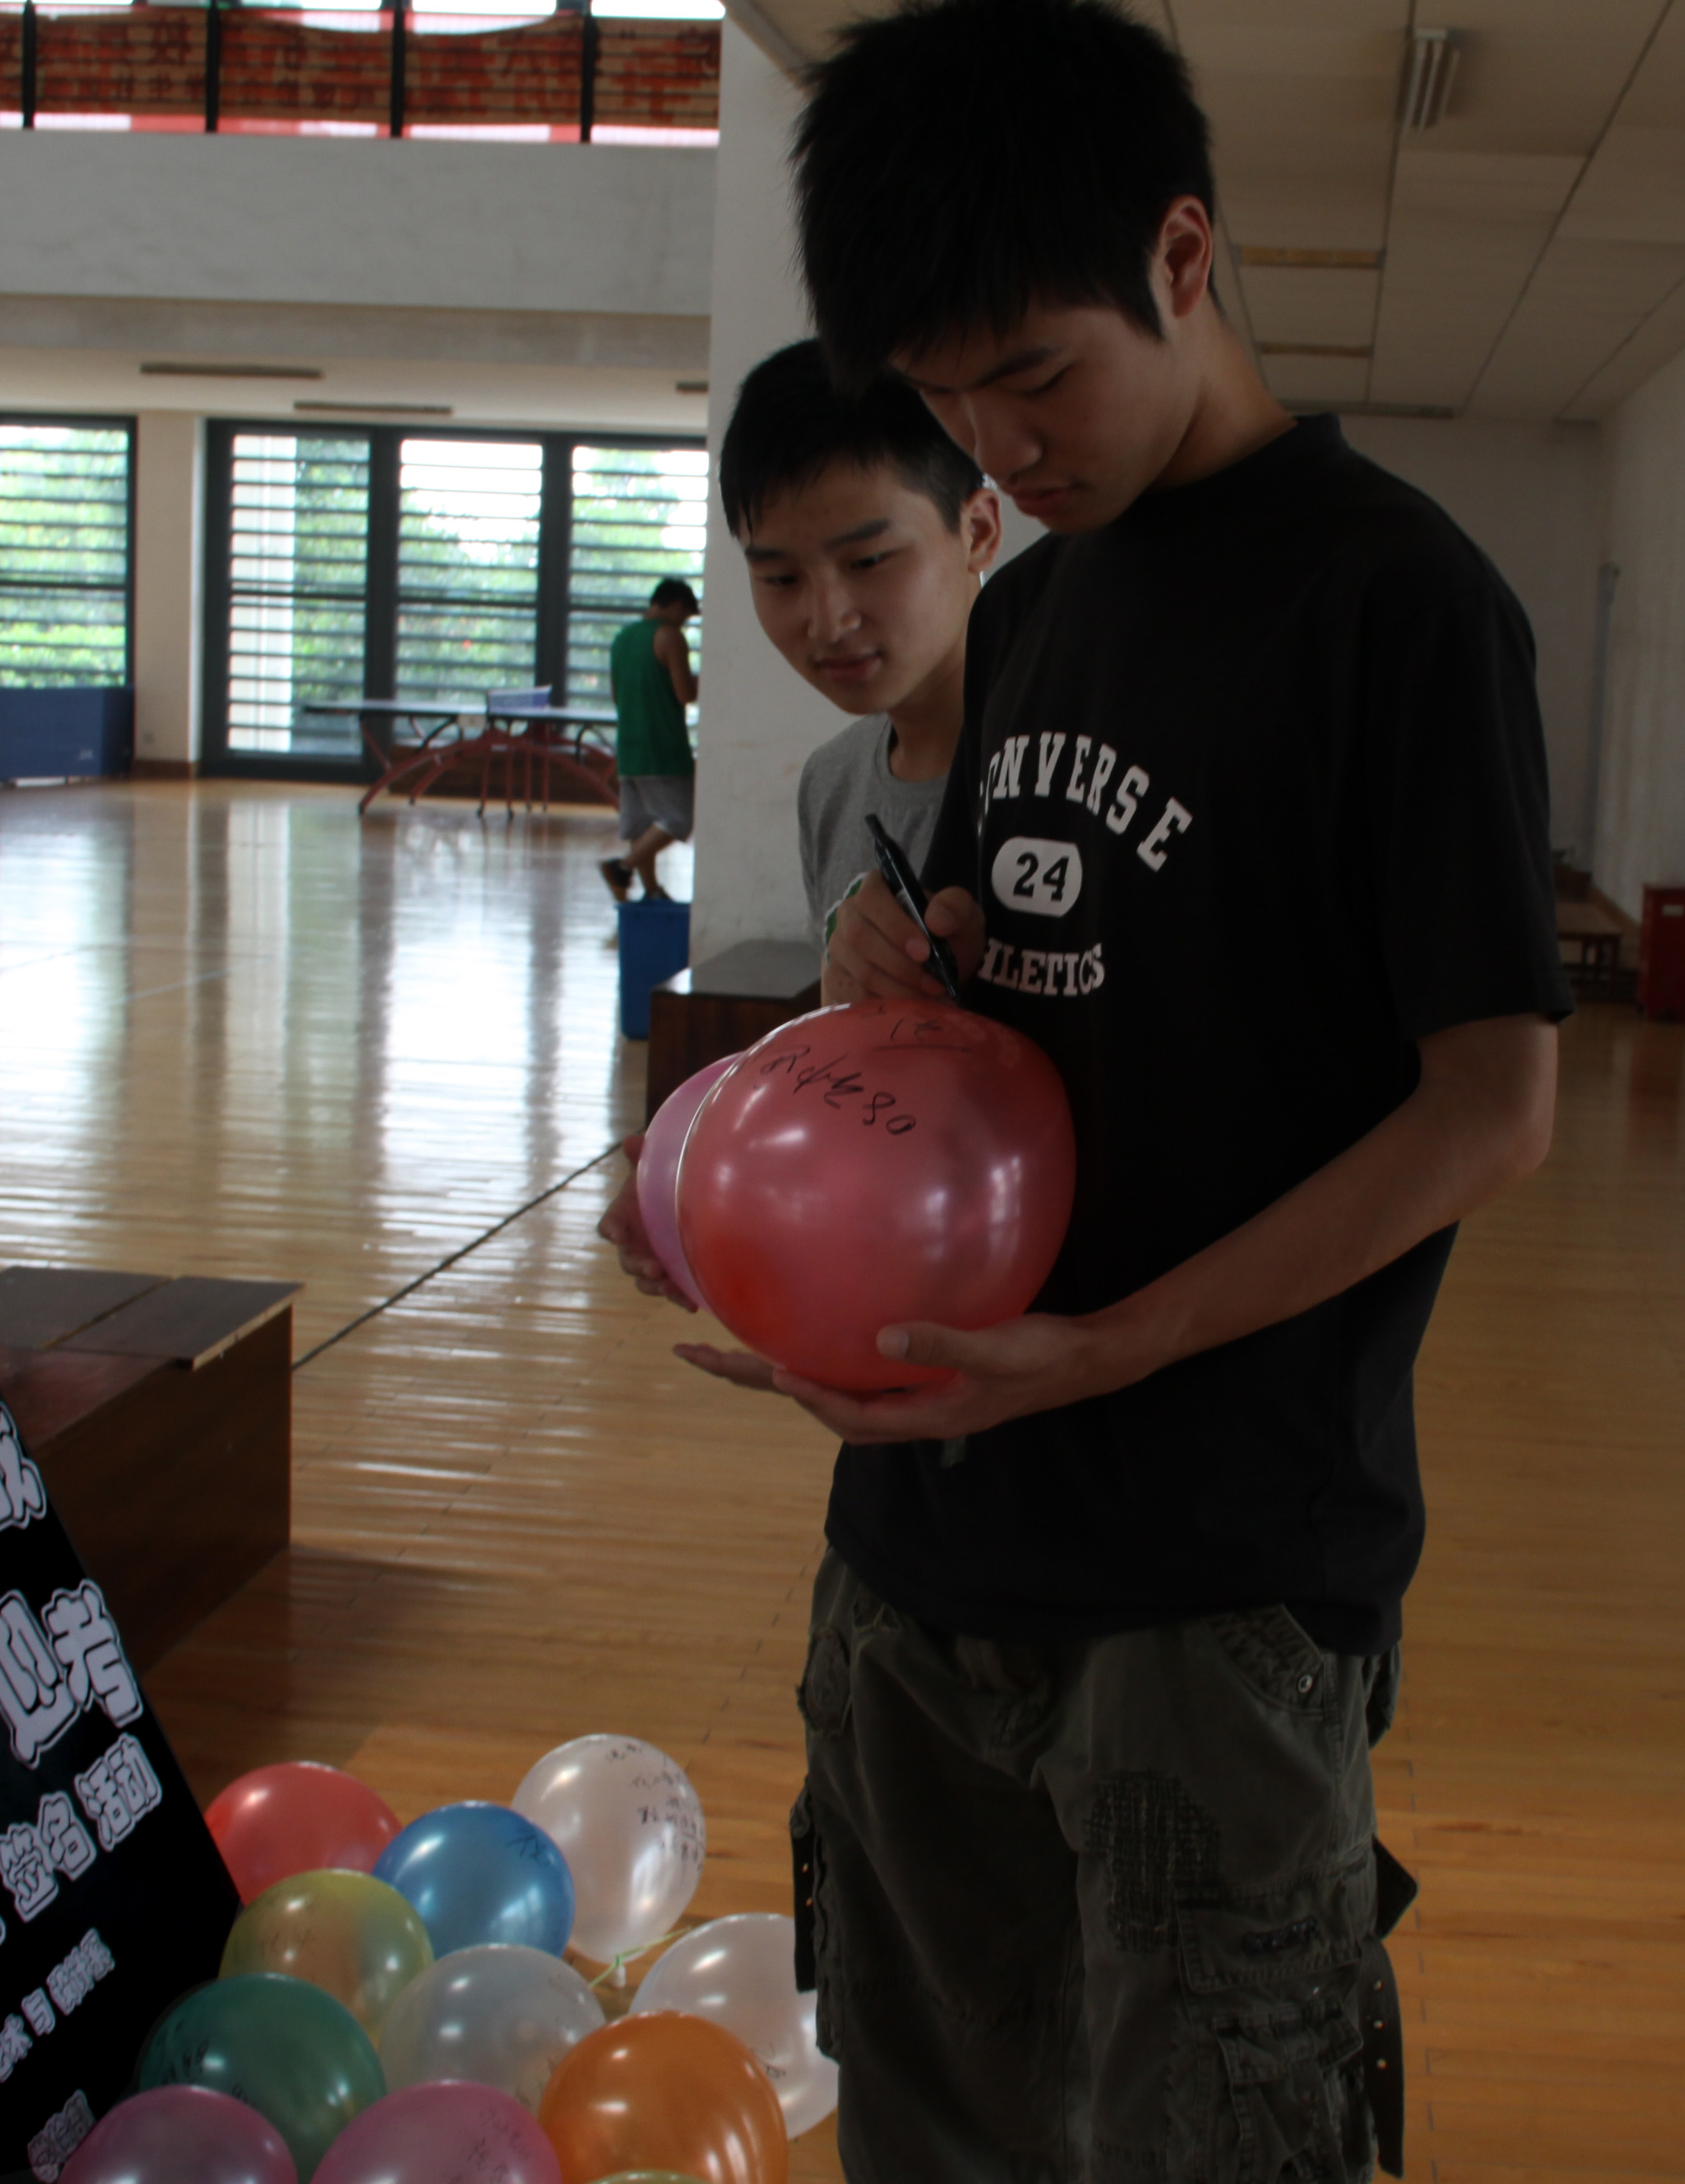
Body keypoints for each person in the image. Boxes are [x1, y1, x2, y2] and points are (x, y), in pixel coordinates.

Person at [599, 1, 1567, 2173]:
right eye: (947, 395)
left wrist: (1117, 1340)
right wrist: (893, 974)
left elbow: (1493, 1104)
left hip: (1212, 1570)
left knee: (1212, 2131)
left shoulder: (1398, 602)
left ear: (1182, 254)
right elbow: (1004, 1015)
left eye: (1035, 372)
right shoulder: (1031, 612)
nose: (999, 443)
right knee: (929, 2127)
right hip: (919, 1543)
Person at [715, 338, 1002, 945]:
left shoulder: (1079, 765)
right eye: (781, 578)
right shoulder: (832, 783)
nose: (828, 623)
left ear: (977, 531)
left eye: (868, 561)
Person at [599, 577, 699, 902]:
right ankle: (622, 867)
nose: (683, 623)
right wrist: (710, 677)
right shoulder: (669, 637)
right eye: (685, 616)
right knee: (678, 820)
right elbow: (685, 694)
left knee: (641, 826)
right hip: (663, 748)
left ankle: (652, 891)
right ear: (676, 606)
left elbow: (617, 695)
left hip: (629, 747)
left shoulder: (622, 639)